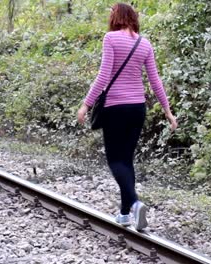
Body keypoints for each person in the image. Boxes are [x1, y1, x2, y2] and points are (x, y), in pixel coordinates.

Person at [77, 3, 177, 231]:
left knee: (115, 160)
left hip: (115, 107)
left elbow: (104, 75)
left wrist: (85, 104)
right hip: (137, 108)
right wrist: (168, 111)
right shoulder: (145, 43)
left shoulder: (110, 38)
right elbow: (155, 81)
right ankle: (124, 214)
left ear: (116, 17)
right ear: (133, 18)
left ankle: (134, 203)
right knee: (127, 160)